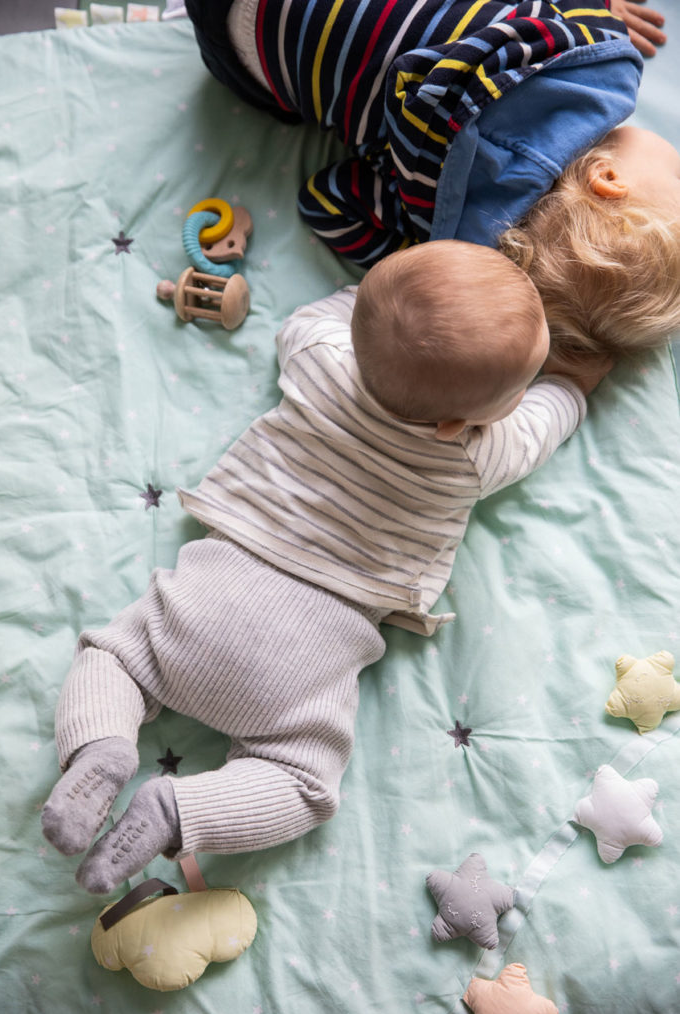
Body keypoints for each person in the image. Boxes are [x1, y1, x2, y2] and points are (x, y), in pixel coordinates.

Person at [41, 241, 612, 894]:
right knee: (302, 784)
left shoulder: (321, 360)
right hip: (311, 654)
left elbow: (308, 321)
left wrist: (367, 302)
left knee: (111, 660)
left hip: (207, 595)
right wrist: (571, 384)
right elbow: (544, 425)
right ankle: (181, 810)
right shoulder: (477, 454)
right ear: (463, 422)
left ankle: (101, 747)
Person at [185, 0, 680, 366]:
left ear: (608, 180)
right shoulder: (430, 219)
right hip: (243, 44)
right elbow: (323, 201)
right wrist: (415, 255)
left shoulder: (587, 50)